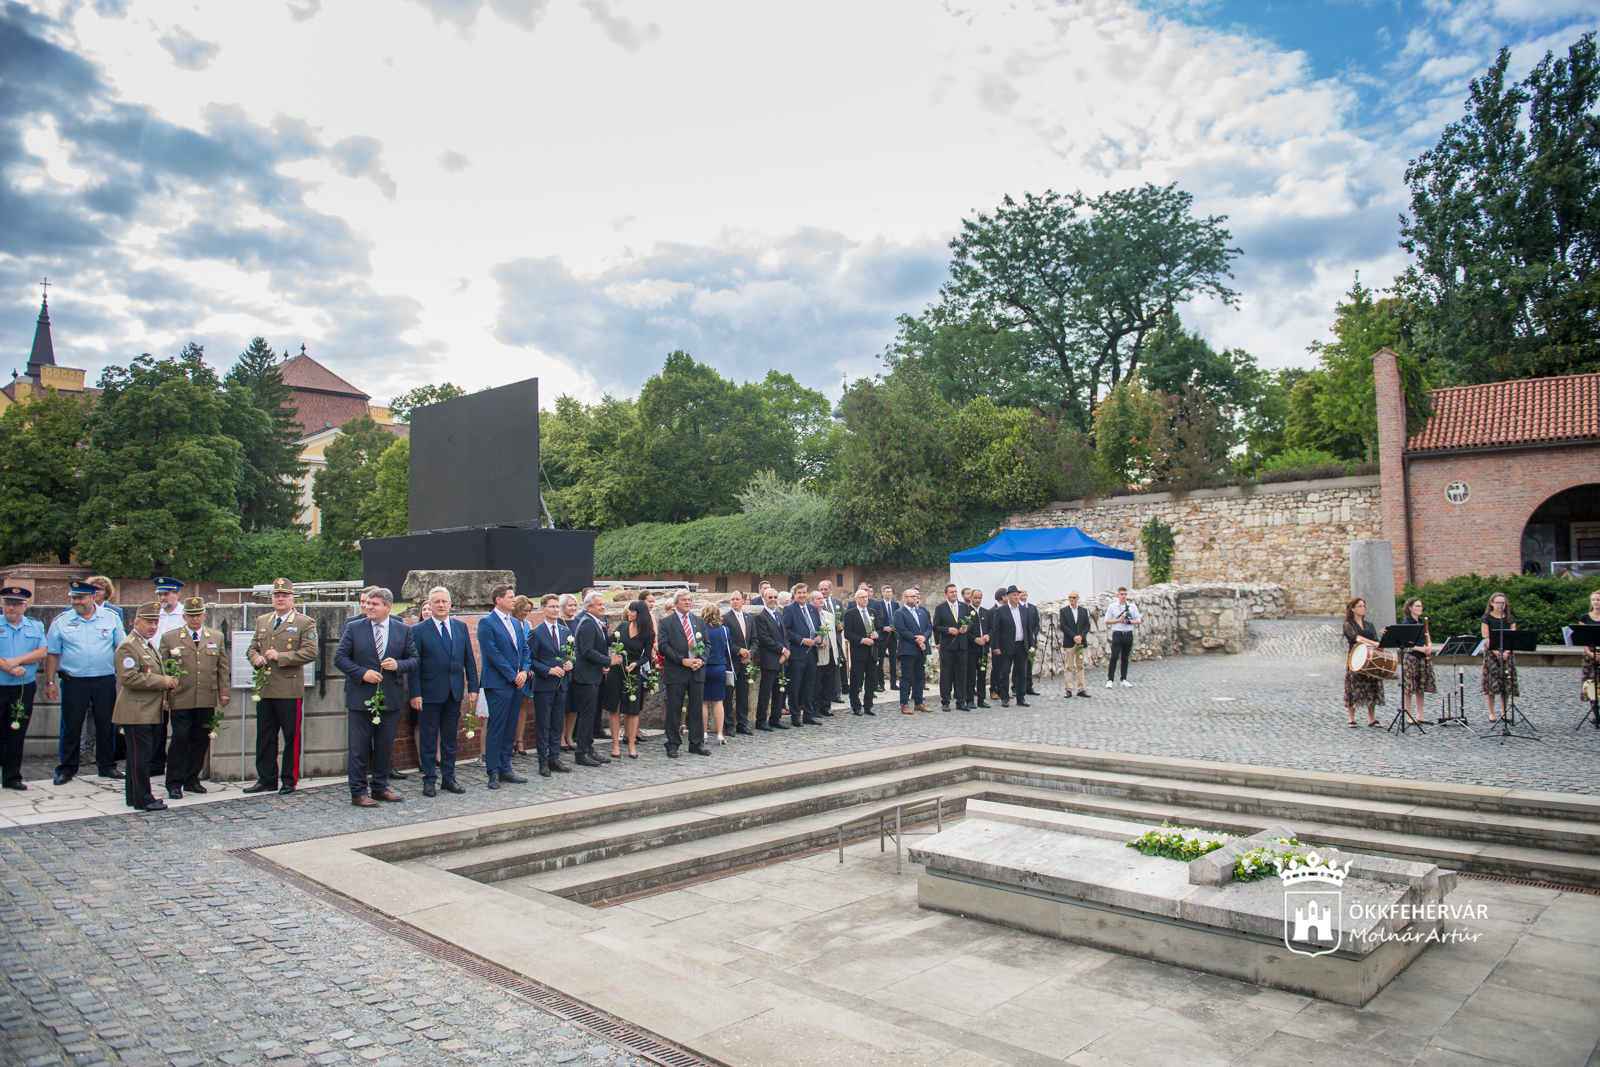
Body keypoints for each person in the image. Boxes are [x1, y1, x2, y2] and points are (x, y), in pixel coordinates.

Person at [334, 586, 417, 807]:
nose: (368, 607)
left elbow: (414, 659)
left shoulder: (402, 630)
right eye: (367, 603)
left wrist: (398, 665)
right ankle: (358, 792)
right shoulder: (354, 628)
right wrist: (362, 673)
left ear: (387, 607)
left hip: (390, 697)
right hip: (360, 697)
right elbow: (340, 658)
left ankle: (380, 787)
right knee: (359, 748)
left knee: (384, 746)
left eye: (374, 604)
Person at [43, 578, 126, 785]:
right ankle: (67, 768)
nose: (76, 602)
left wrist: (125, 678)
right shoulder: (61, 620)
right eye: (74, 598)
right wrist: (49, 682)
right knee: (71, 726)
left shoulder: (111, 617)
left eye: (80, 598)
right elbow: (52, 653)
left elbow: (121, 648)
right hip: (74, 681)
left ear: (92, 597)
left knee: (106, 725)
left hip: (104, 679)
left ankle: (106, 766)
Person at [243, 578, 317, 795]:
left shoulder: (305, 622)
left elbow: (311, 653)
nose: (280, 599)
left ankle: (288, 780)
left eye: (284, 595)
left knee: (291, 736)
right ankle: (266, 779)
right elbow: (251, 648)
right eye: (277, 596)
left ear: (292, 599)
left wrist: (281, 656)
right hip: (265, 689)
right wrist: (255, 657)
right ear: (272, 599)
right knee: (265, 736)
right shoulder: (263, 620)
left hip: (289, 689)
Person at [405, 586, 478, 797]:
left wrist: (473, 687)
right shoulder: (418, 630)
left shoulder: (460, 627)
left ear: (450, 604)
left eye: (443, 602)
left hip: (454, 692)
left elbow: (469, 659)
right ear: (429, 604)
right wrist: (415, 693)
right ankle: (429, 779)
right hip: (428, 693)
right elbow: (414, 665)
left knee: (449, 739)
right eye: (436, 602)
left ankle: (449, 778)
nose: (440, 605)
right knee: (428, 739)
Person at [156, 596, 229, 800]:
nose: (195, 618)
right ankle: (174, 782)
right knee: (179, 738)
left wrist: (224, 692)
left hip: (206, 695)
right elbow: (164, 670)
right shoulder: (170, 638)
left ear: (204, 615)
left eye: (198, 614)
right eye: (191, 615)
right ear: (184, 616)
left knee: (201, 739)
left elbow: (222, 667)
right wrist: (164, 696)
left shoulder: (215, 636)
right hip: (181, 697)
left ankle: (191, 778)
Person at [112, 603, 175, 812]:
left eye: (155, 622)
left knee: (136, 757)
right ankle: (144, 798)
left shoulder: (146, 643)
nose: (153, 626)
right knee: (141, 757)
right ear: (136, 622)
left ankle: (134, 796)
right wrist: (162, 681)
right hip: (136, 711)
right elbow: (129, 677)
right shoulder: (129, 645)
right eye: (148, 622)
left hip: (145, 710)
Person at [0, 586, 48, 790]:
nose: (11, 607)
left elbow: (42, 652)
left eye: (16, 604)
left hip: (22, 688)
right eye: (7, 603)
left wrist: (16, 661)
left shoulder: (35, 626)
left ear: (25, 606)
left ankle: (12, 777)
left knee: (16, 732)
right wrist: (6, 666)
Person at [659, 590, 710, 756]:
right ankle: (672, 743)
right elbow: (663, 646)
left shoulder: (698, 621)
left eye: (689, 599)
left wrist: (701, 659)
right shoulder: (666, 622)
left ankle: (696, 743)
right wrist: (682, 660)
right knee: (674, 709)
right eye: (684, 600)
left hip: (696, 671)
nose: (687, 602)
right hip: (677, 671)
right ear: (676, 603)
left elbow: (707, 644)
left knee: (696, 708)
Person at [569, 592, 617, 768]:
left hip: (593, 674)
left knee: (590, 714)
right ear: (589, 607)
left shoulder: (596, 622)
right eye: (599, 605)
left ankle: (588, 749)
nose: (603, 607)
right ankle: (581, 752)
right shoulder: (588, 623)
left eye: (603, 604)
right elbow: (587, 650)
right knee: (587, 715)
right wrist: (608, 660)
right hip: (585, 676)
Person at [527, 594, 573, 777]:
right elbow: (530, 660)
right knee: (542, 723)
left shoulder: (565, 631)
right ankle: (542, 762)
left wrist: (571, 663)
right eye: (551, 607)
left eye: (556, 607)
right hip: (544, 685)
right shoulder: (536, 633)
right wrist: (548, 670)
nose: (555, 610)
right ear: (543, 609)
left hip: (561, 685)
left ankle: (554, 758)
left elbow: (570, 653)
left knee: (557, 723)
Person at [610, 600, 653, 758]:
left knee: (633, 710)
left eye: (632, 611)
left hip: (633, 672)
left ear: (639, 613)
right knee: (615, 707)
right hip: (616, 671)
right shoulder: (621, 627)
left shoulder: (648, 632)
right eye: (629, 611)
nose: (629, 613)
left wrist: (636, 663)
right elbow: (609, 642)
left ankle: (631, 744)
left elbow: (647, 656)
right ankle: (615, 744)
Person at [783, 585, 822, 726]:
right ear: (794, 594)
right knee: (795, 687)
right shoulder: (789, 609)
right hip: (797, 654)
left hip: (812, 654)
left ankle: (808, 715)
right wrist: (801, 640)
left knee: (809, 685)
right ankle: (795, 716)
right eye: (799, 593)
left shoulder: (812, 609)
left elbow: (819, 629)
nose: (802, 595)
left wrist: (820, 637)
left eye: (804, 593)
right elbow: (786, 630)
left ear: (807, 594)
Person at [753, 587, 790, 731]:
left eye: (775, 597)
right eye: (770, 597)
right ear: (764, 598)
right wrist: (782, 650)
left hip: (782, 659)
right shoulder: (761, 617)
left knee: (779, 691)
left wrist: (786, 651)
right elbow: (764, 639)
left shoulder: (778, 614)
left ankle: (775, 719)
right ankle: (761, 721)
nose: (773, 600)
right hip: (770, 659)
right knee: (765, 692)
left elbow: (785, 635)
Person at [1343, 597, 1383, 728]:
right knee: (1353, 687)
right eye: (1360, 606)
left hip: (1370, 658)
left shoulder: (1369, 624)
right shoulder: (1348, 624)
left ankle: (1372, 718)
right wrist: (1373, 643)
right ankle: (1351, 718)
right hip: (1356, 658)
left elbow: (1376, 639)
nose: (1363, 608)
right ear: (1353, 609)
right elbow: (1357, 638)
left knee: (1372, 686)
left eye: (1364, 606)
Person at [1481, 590, 1518, 723]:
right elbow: (1486, 636)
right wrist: (1496, 652)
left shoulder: (1510, 618)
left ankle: (1504, 711)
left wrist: (1507, 651)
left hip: (1507, 652)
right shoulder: (1487, 618)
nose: (1500, 605)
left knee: (1505, 683)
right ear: (1491, 603)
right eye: (1498, 603)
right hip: (1492, 652)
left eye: (1503, 603)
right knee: (1492, 682)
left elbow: (1513, 635)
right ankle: (1491, 712)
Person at [893, 588, 932, 714]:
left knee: (920, 676)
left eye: (916, 596)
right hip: (908, 649)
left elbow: (928, 627)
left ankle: (918, 702)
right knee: (906, 676)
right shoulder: (900, 613)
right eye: (912, 596)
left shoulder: (921, 612)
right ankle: (904, 703)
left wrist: (924, 637)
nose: (915, 598)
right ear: (905, 598)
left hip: (921, 650)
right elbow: (902, 630)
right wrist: (918, 640)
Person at [1399, 596, 1436, 727]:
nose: (1420, 609)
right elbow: (1406, 644)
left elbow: (1428, 637)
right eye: (1417, 606)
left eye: (1421, 606)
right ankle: (1408, 715)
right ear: (1410, 608)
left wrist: (1429, 647)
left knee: (1421, 686)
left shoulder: (1422, 622)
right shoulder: (1406, 623)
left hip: (1423, 657)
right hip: (1412, 657)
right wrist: (1421, 649)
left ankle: (1420, 714)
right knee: (1409, 687)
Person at [932, 584, 970, 711]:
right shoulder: (940, 608)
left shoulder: (964, 607)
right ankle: (946, 700)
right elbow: (936, 626)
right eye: (951, 592)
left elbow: (969, 621)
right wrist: (947, 629)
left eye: (955, 591)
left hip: (961, 645)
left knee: (962, 673)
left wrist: (966, 627)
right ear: (946, 594)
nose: (954, 594)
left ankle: (961, 700)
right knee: (946, 673)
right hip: (947, 645)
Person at [990, 586, 1030, 708]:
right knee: (1004, 672)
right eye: (1013, 595)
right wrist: (995, 646)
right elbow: (996, 630)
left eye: (1017, 595)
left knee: (1022, 673)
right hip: (1006, 645)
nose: (1016, 597)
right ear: (1007, 597)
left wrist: (1031, 645)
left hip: (1021, 645)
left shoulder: (1023, 610)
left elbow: (1027, 629)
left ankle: (1021, 697)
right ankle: (1005, 697)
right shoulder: (1001, 611)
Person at [844, 587, 879, 716]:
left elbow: (879, 628)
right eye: (862, 597)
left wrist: (877, 635)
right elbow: (848, 633)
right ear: (856, 599)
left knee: (871, 680)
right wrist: (861, 640)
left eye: (866, 597)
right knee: (856, 680)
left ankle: (868, 705)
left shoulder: (873, 612)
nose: (865, 599)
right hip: (859, 651)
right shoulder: (851, 613)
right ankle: (856, 705)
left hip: (872, 652)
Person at [723, 591, 754, 736]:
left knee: (743, 694)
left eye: (737, 599)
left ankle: (742, 724)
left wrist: (750, 653)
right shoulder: (725, 618)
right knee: (728, 696)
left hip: (745, 662)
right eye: (732, 599)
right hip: (731, 662)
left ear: (743, 601)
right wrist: (738, 650)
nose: (735, 601)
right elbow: (725, 641)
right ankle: (728, 725)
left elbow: (755, 639)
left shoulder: (749, 618)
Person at [701, 604, 732, 744]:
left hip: (704, 667)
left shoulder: (701, 629)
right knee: (718, 701)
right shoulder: (725, 630)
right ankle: (719, 733)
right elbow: (728, 649)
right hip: (719, 667)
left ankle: (704, 733)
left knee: (703, 702)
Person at [1104, 587, 1141, 688]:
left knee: (1125, 657)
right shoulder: (1112, 607)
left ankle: (1123, 678)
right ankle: (1110, 679)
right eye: (1122, 594)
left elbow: (1138, 620)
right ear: (1118, 595)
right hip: (1117, 634)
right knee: (1114, 657)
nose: (1124, 596)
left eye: (1125, 594)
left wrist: (1130, 622)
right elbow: (1107, 621)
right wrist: (1119, 620)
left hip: (1128, 634)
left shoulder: (1132, 607)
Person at [818, 580, 847, 703]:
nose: (823, 592)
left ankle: (836, 693)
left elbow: (843, 618)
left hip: (836, 640)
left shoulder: (837, 602)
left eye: (825, 589)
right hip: (823, 641)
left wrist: (842, 625)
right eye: (821, 590)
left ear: (831, 590)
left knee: (836, 667)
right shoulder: (817, 603)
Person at [1059, 591, 1092, 699]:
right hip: (1070, 642)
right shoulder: (1064, 611)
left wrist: (1081, 636)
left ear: (1078, 598)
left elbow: (1087, 625)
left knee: (1080, 665)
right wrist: (1074, 637)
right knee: (1069, 666)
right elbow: (1063, 626)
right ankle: (1068, 689)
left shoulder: (1083, 611)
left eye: (1073, 597)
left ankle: (1081, 688)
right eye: (1070, 597)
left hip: (1081, 642)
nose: (1072, 599)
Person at [964, 587, 991, 709]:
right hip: (971, 649)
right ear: (970, 598)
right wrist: (974, 639)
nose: (977, 600)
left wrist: (988, 636)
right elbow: (964, 630)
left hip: (983, 649)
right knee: (970, 676)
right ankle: (969, 699)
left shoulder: (986, 612)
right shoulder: (966, 612)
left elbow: (991, 628)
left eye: (979, 598)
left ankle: (981, 699)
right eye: (975, 597)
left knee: (982, 674)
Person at [875, 585, 899, 693]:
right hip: (883, 636)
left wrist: (895, 627)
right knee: (880, 660)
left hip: (893, 635)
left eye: (891, 591)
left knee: (893, 659)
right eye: (887, 592)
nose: (889, 593)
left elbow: (898, 617)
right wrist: (884, 627)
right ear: (883, 593)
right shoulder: (879, 605)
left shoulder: (895, 604)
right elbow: (877, 619)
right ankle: (881, 683)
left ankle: (893, 683)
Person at [1019, 589, 1041, 696]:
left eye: (1025, 592)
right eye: (1021, 592)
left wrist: (1033, 634)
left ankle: (1029, 686)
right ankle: (1017, 687)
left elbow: (1037, 624)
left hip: (1031, 640)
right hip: (1021, 640)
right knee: (1019, 666)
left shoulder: (1032, 608)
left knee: (1029, 663)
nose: (1024, 593)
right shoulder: (1017, 608)